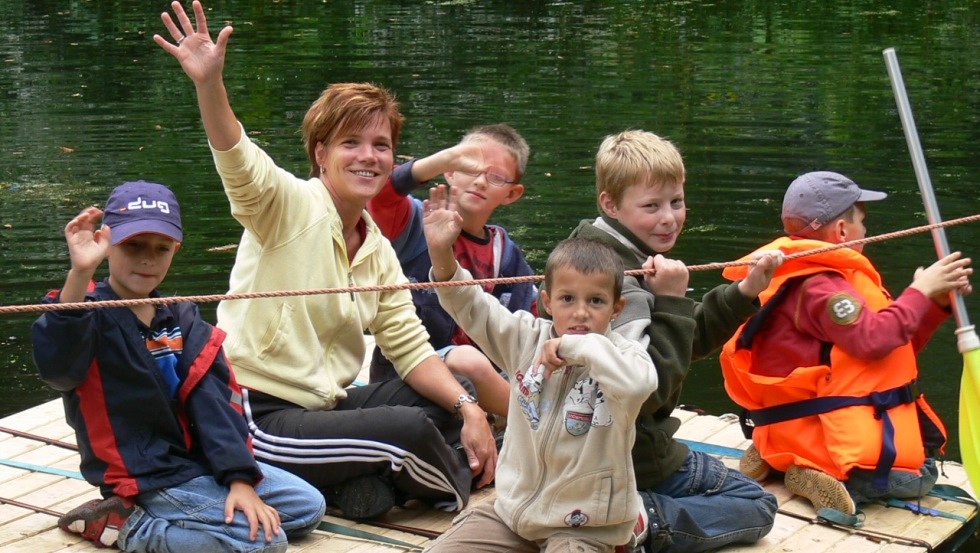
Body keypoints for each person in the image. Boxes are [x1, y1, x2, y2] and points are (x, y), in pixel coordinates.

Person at [153, 0, 496, 521]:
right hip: (256, 415)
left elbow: (411, 350)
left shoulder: (379, 249)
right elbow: (237, 156)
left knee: (453, 394)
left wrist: (469, 409)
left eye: (381, 145)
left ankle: (367, 484)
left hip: (324, 409)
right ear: (320, 153)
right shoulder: (285, 205)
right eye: (350, 142)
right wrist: (209, 83)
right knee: (408, 433)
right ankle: (461, 494)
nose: (368, 156)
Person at [31, 181, 326, 552]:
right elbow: (58, 369)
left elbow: (215, 406)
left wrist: (239, 479)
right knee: (264, 544)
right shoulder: (88, 314)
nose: (147, 259)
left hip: (198, 464)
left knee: (308, 507)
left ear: (176, 249)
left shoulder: (184, 319)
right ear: (106, 245)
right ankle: (129, 527)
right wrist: (79, 272)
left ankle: (193, 514)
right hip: (146, 474)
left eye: (161, 248)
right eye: (133, 245)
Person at [564, 130, 779, 551]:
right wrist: (670, 300)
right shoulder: (623, 282)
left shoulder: (590, 253)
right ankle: (642, 519)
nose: (669, 217)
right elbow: (652, 391)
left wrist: (743, 292)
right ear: (610, 203)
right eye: (651, 206)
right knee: (755, 503)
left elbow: (683, 342)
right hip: (631, 459)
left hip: (590, 457)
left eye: (676, 202)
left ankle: (618, 508)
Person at [719, 171, 973, 516]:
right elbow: (874, 339)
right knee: (922, 475)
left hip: (796, 426)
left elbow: (890, 353)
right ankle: (810, 472)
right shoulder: (823, 288)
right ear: (841, 231)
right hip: (824, 436)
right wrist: (918, 292)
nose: (866, 232)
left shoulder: (803, 275)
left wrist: (932, 303)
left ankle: (777, 455)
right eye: (862, 223)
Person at [423, 185, 657, 552]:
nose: (580, 312)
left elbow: (641, 384)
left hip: (586, 528)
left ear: (616, 308)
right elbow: (471, 304)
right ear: (546, 301)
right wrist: (440, 252)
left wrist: (574, 346)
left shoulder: (623, 357)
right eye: (567, 299)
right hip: (515, 516)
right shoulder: (524, 338)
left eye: (595, 301)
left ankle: (638, 527)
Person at [367, 123, 537, 417]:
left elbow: (532, 323)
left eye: (495, 177)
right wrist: (443, 157)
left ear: (512, 193)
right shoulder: (414, 221)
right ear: (449, 171)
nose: (481, 182)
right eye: (470, 168)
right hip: (409, 369)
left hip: (486, 378)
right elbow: (379, 191)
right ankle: (537, 426)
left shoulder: (505, 252)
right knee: (470, 361)